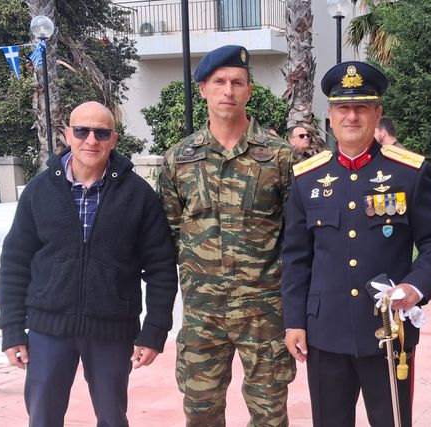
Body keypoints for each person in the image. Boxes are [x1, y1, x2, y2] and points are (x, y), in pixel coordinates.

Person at [280, 61, 431, 426]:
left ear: (377, 114)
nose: (352, 116)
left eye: (362, 107)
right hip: (325, 331)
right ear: (330, 117)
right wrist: (294, 320)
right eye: (343, 108)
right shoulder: (307, 179)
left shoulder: (408, 172)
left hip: (388, 332)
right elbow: (296, 257)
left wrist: (415, 286)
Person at [0, 101, 178, 427]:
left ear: (114, 139)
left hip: (112, 330)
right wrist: (11, 328)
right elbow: (15, 262)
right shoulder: (39, 191)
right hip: (48, 329)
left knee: (112, 419)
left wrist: (154, 330)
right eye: (82, 131)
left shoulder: (138, 195)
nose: (91, 140)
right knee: (43, 418)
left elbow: (161, 267)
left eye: (101, 133)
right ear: (68, 135)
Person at [157, 45, 295, 426]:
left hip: (263, 313)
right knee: (201, 414)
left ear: (250, 89)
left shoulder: (281, 158)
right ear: (203, 89)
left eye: (237, 82)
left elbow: (296, 237)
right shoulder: (179, 159)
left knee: (270, 416)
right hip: (203, 313)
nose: (228, 91)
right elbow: (170, 235)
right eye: (219, 82)